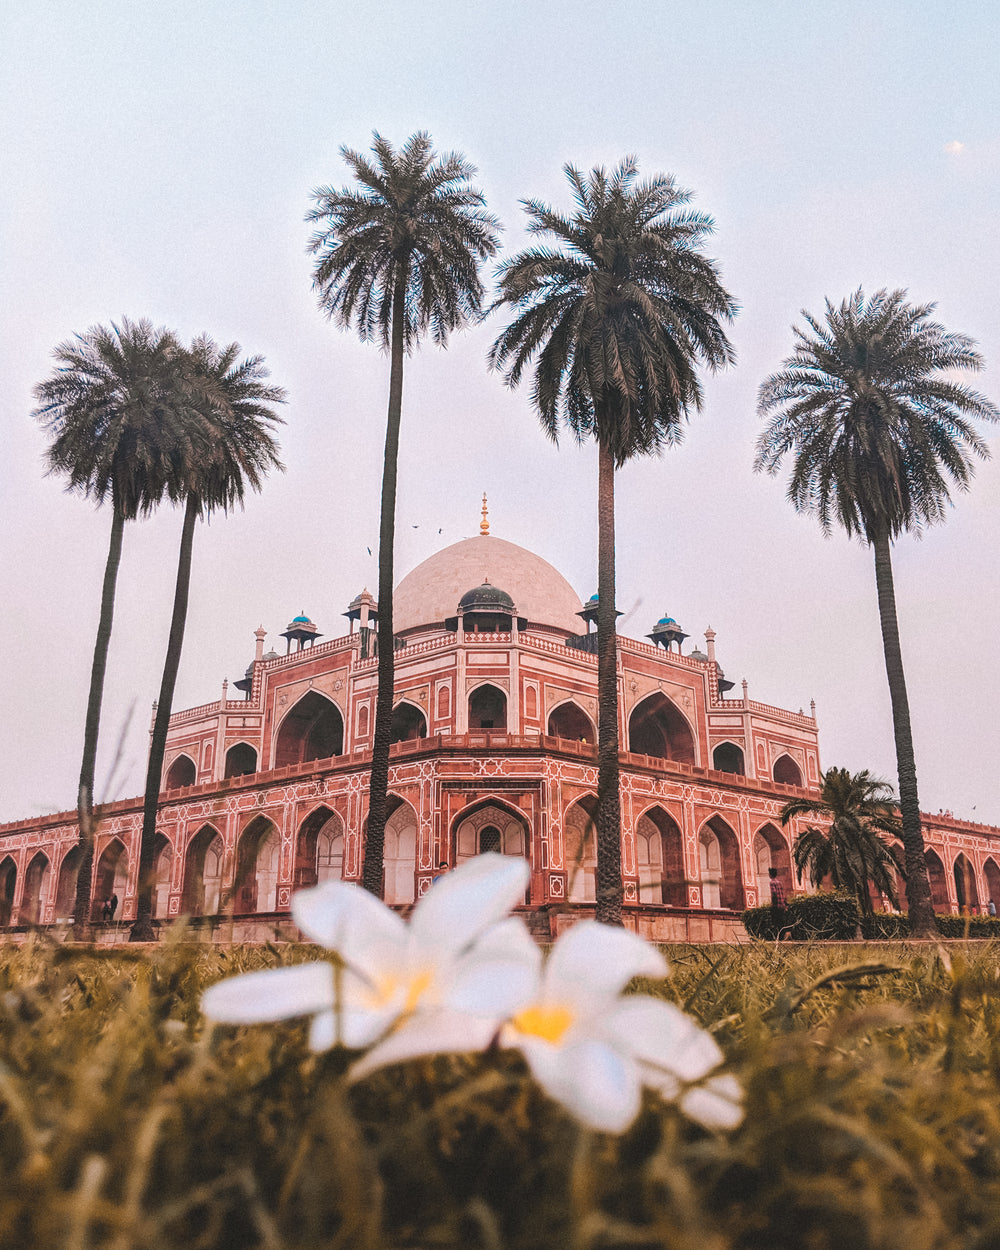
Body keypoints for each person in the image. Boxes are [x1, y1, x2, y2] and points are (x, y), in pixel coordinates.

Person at [768, 867, 788, 936]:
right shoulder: (779, 883)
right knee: (781, 921)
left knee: (775, 922)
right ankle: (782, 935)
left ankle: (778, 936)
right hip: (781, 905)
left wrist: (773, 904)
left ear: (770, 874)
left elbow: (774, 893)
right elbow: (782, 894)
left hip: (776, 905)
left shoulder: (772, 882)